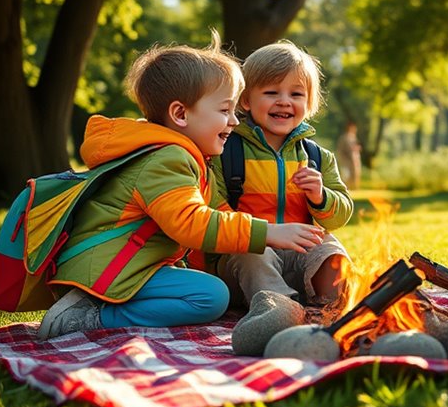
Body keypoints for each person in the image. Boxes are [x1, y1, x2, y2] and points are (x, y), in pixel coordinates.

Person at [36, 32, 325, 340]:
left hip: (130, 268)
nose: (234, 122)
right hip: (107, 270)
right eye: (225, 110)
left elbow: (218, 210)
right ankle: (88, 315)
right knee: (210, 296)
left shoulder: (192, 159)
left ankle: (95, 306)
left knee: (209, 293)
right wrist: (267, 232)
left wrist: (261, 239)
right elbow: (191, 224)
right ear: (180, 114)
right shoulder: (166, 159)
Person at [211, 40, 353, 310]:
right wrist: (263, 234)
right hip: (247, 261)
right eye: (271, 92)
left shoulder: (317, 157)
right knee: (252, 255)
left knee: (330, 250)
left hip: (300, 255)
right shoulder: (225, 152)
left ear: (309, 102)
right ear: (246, 100)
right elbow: (213, 212)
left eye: (296, 94)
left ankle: (332, 308)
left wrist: (320, 196)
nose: (284, 101)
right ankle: (280, 310)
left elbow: (341, 214)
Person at [336, 121, 362, 190]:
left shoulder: (354, 137)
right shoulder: (344, 137)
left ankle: (353, 187)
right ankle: (345, 188)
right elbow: (342, 149)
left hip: (353, 159)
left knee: (354, 174)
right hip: (345, 160)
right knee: (346, 175)